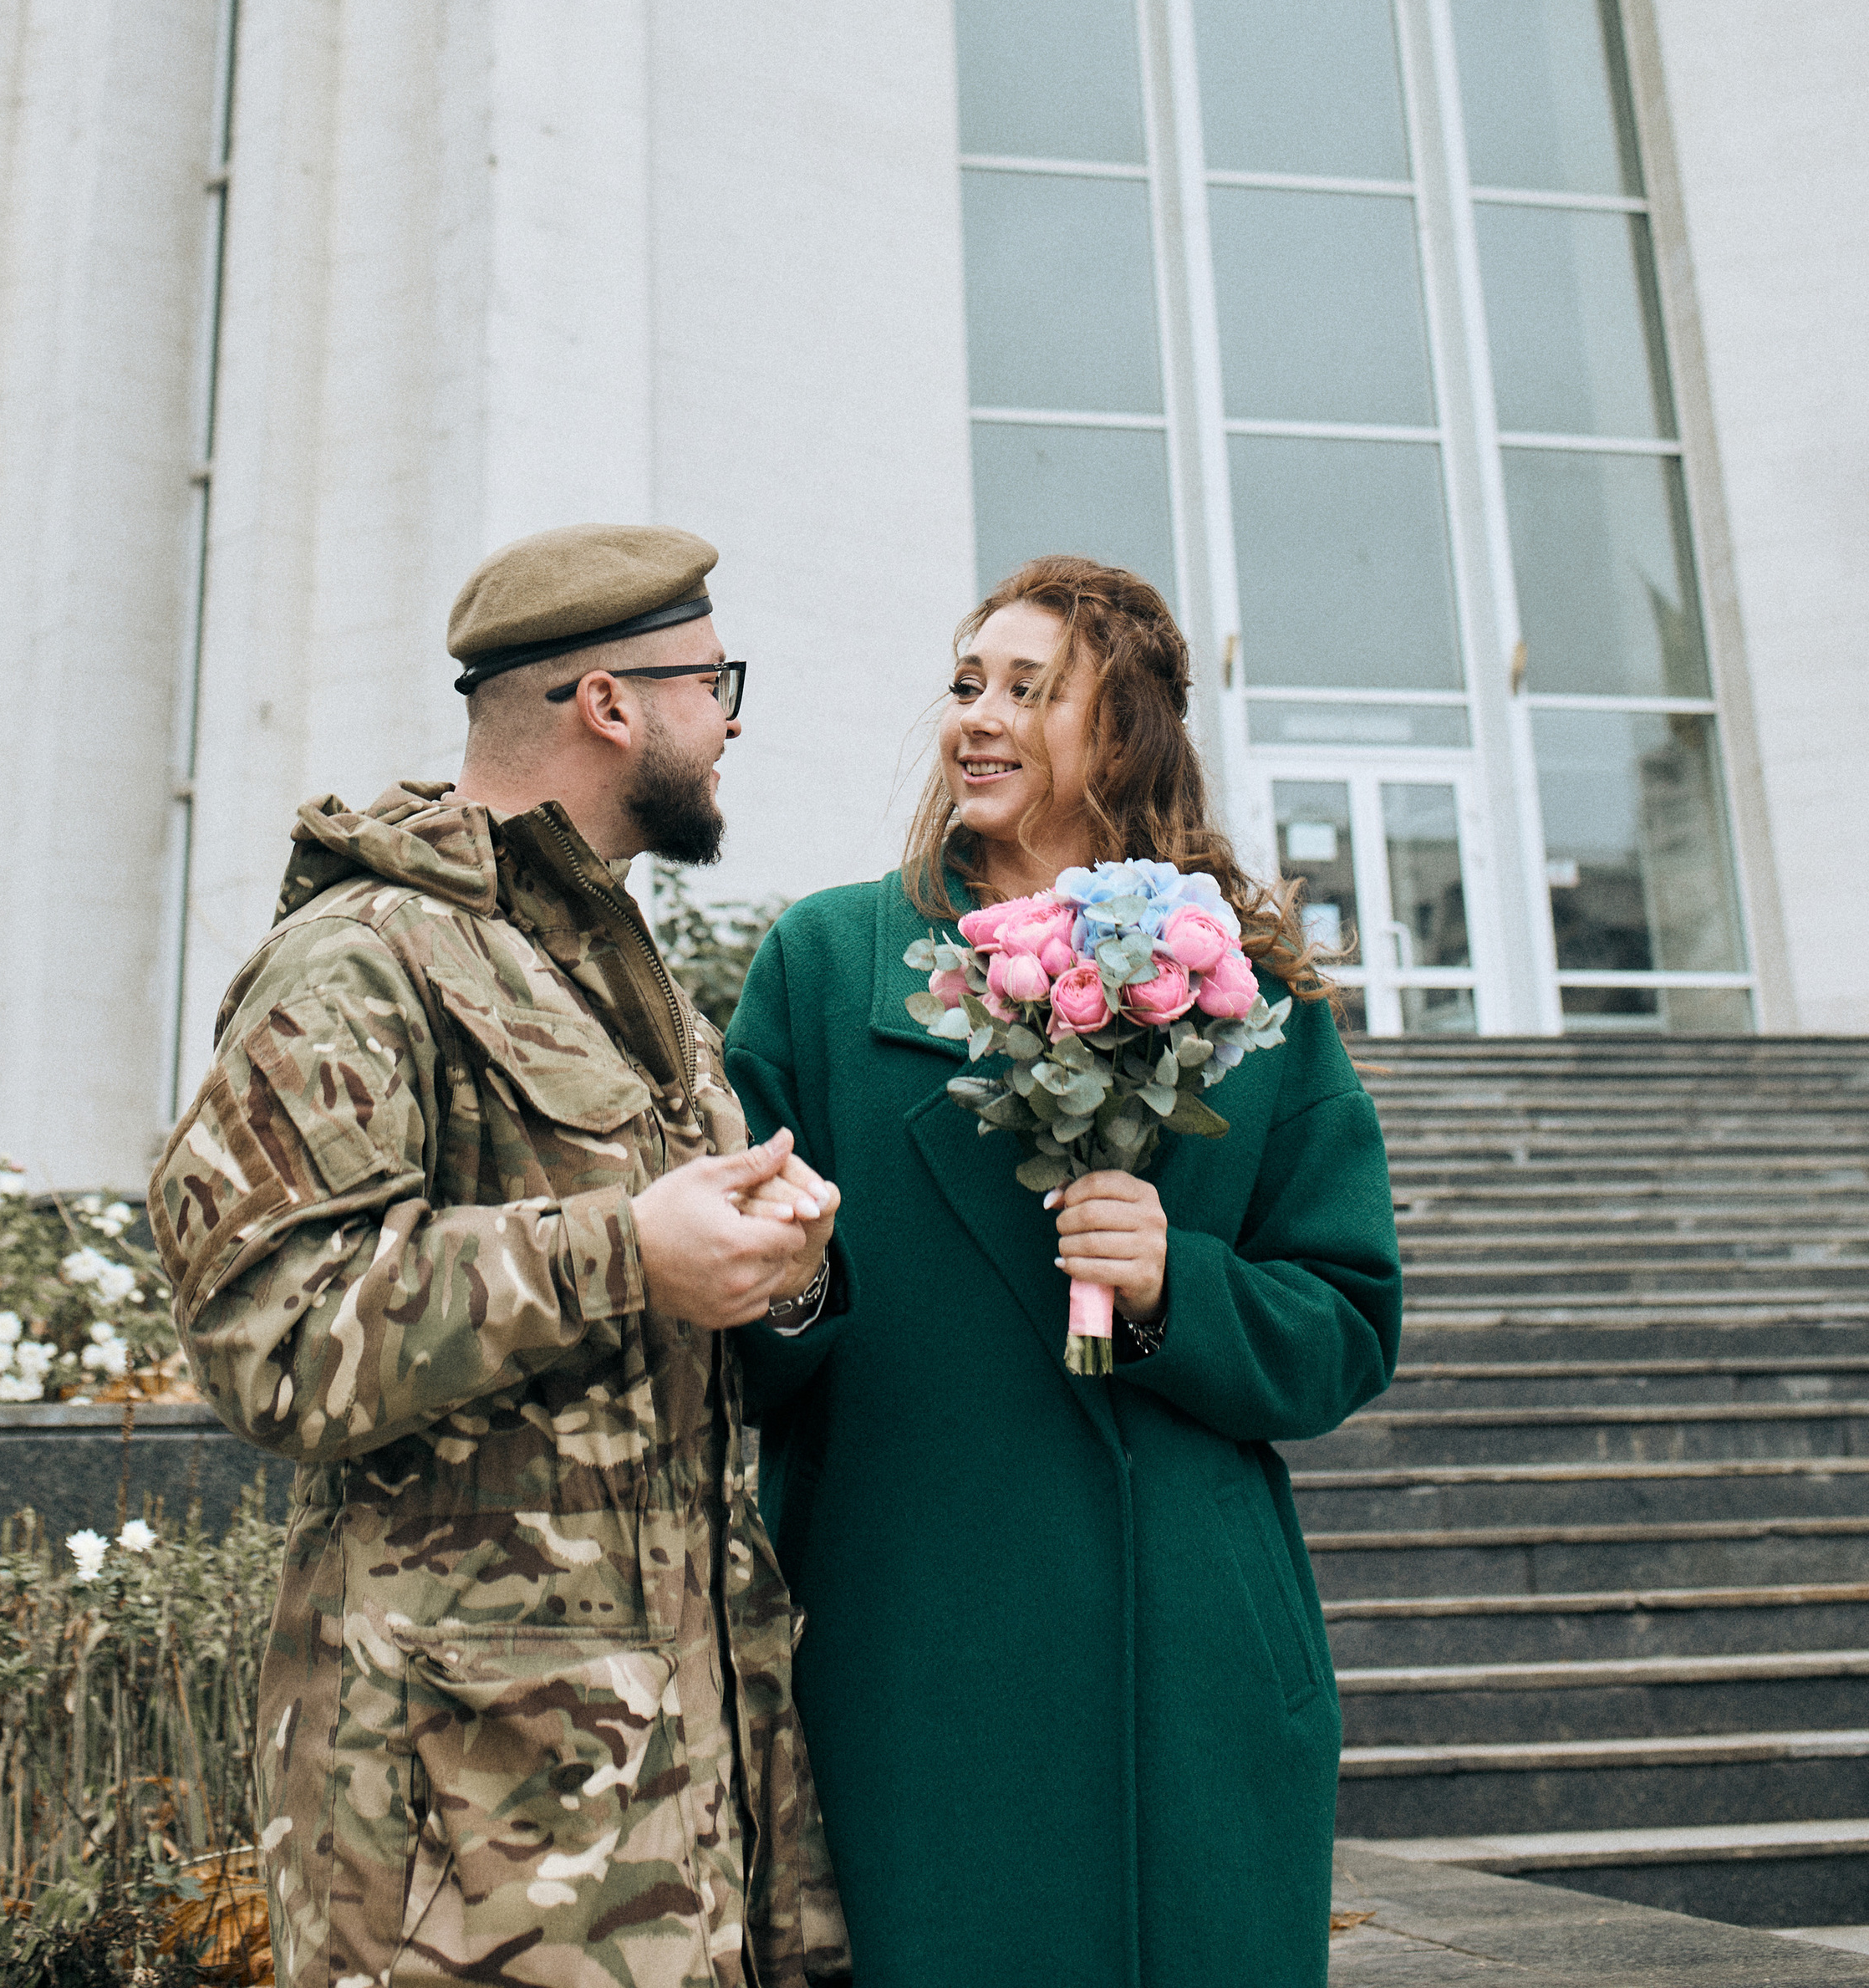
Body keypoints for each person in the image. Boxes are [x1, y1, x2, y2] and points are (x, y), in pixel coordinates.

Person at [151, 523, 844, 1988]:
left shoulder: (605, 968)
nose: (729, 722)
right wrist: (623, 1254)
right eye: (712, 684)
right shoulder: (360, 959)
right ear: (609, 705)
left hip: (673, 1796)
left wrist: (774, 1271)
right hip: (459, 1836)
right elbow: (272, 1335)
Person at [724, 556, 1402, 1988]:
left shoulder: (1254, 995)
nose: (979, 717)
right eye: (968, 684)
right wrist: (787, 1282)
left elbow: (1345, 1324)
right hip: (915, 1652)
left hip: (1190, 1669)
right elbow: (736, 1341)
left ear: (1128, 733)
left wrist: (1177, 1287)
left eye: (1031, 691)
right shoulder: (826, 967)